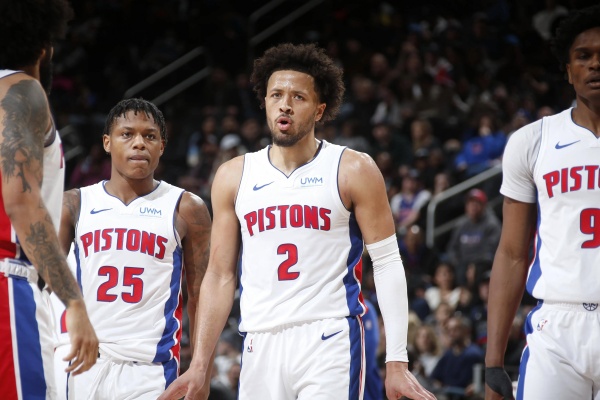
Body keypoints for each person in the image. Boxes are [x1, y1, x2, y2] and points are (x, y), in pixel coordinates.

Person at [160, 43, 435, 400]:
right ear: (264, 102)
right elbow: (220, 275)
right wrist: (199, 365)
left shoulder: (353, 168)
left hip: (329, 337)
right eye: (276, 94)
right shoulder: (233, 175)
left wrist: (397, 361)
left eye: (298, 97)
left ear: (320, 110)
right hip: (258, 341)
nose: (285, 104)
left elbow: (386, 262)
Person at [55, 98, 213, 399]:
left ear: (162, 146)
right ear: (107, 142)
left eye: (149, 136)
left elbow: (201, 296)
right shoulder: (74, 203)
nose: (139, 143)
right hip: (77, 361)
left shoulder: (186, 207)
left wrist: (202, 367)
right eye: (127, 134)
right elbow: (43, 284)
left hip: (149, 370)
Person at [485, 5, 600, 399]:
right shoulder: (533, 140)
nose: (595, 64)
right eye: (583, 56)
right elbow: (512, 253)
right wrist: (493, 363)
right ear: (568, 70)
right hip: (557, 325)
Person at [0, 1, 98, 398]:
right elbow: (21, 204)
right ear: (44, 48)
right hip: (9, 284)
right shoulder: (22, 91)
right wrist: (74, 303)